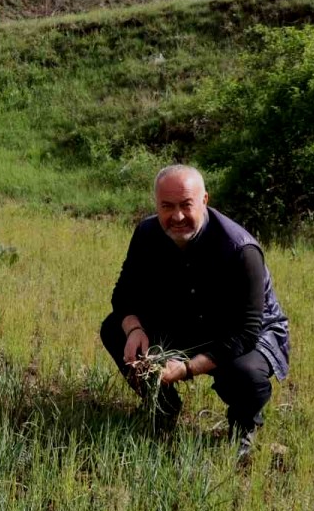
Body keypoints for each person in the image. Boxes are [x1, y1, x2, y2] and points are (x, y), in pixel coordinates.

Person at [100, 164, 290, 460]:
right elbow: (123, 294)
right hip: (185, 320)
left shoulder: (240, 249)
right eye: (167, 206)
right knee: (115, 327)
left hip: (242, 335)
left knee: (247, 375)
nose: (177, 216)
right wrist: (135, 330)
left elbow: (247, 331)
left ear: (204, 201)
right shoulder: (147, 233)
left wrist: (187, 368)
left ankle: (243, 427)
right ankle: (162, 406)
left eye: (186, 205)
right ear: (156, 205)